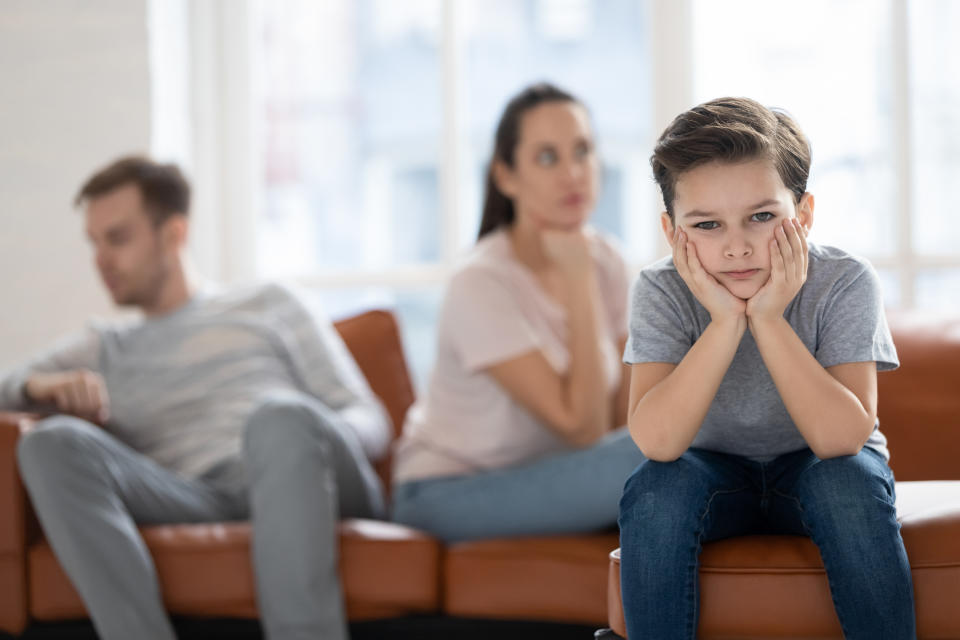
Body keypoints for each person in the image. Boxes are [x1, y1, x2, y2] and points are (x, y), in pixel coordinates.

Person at [0, 156, 391, 640]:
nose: (100, 259)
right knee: (49, 443)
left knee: (277, 418)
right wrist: (35, 387)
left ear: (174, 234)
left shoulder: (270, 303)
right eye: (94, 243)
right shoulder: (104, 345)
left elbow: (370, 417)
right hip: (193, 495)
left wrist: (299, 440)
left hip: (304, 476)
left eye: (117, 238)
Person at [617, 97, 915, 639]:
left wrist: (771, 319)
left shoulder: (845, 281)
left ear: (802, 215)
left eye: (762, 217)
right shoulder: (660, 288)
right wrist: (726, 320)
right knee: (654, 491)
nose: (736, 247)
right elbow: (658, 442)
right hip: (712, 471)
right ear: (672, 232)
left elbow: (842, 439)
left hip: (819, 467)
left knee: (848, 484)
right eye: (707, 225)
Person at [391, 83, 645, 543]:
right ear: (506, 177)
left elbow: (621, 421)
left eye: (583, 151)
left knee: (664, 440)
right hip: (446, 492)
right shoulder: (480, 282)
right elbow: (584, 430)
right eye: (547, 158)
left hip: (552, 475)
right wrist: (577, 279)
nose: (573, 173)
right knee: (654, 452)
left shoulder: (610, 261)